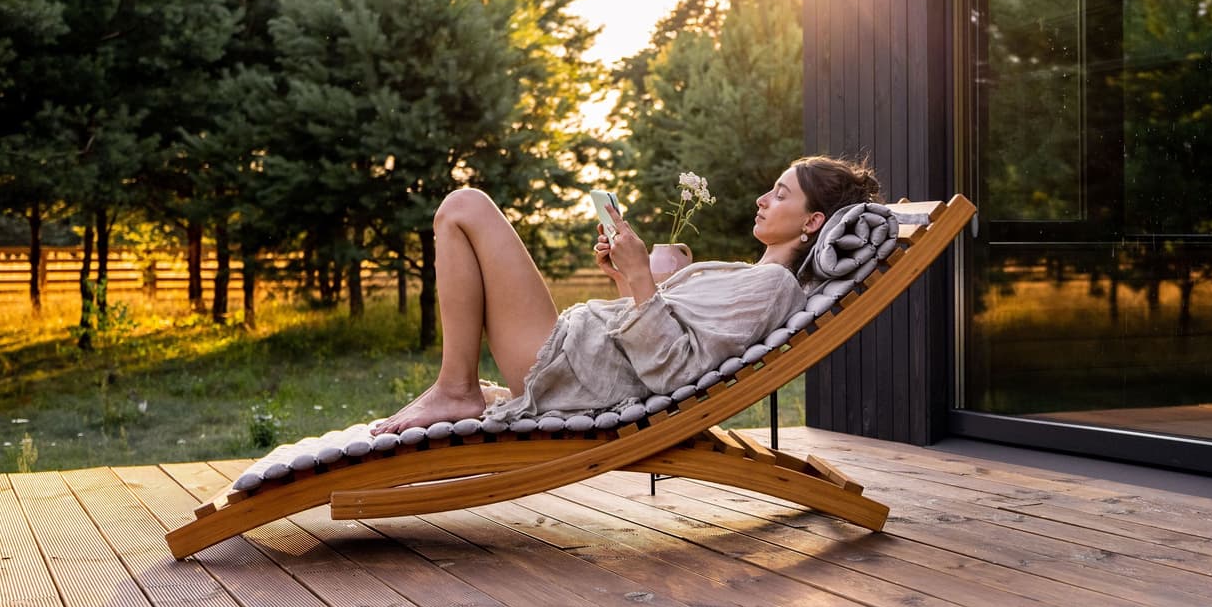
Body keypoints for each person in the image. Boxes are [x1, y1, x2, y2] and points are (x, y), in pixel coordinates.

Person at [370, 155, 881, 435]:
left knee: (464, 207)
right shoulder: (750, 275)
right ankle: (456, 388)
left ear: (813, 222)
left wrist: (640, 275)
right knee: (465, 209)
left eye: (781, 194)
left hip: (571, 369)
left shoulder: (772, 285)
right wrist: (623, 276)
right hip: (575, 354)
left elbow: (673, 371)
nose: (763, 199)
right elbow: (661, 332)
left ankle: (455, 388)